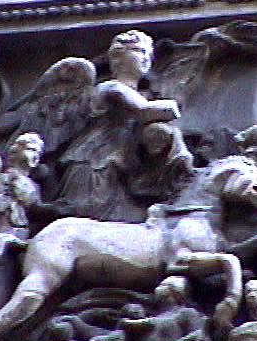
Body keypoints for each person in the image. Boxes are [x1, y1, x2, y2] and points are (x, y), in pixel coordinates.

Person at [56, 30, 182, 222]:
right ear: (117, 58)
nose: (146, 58)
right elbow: (144, 111)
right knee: (87, 220)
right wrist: (175, 105)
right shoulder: (110, 88)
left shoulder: (142, 93)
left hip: (123, 165)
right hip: (95, 162)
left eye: (148, 54)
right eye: (138, 51)